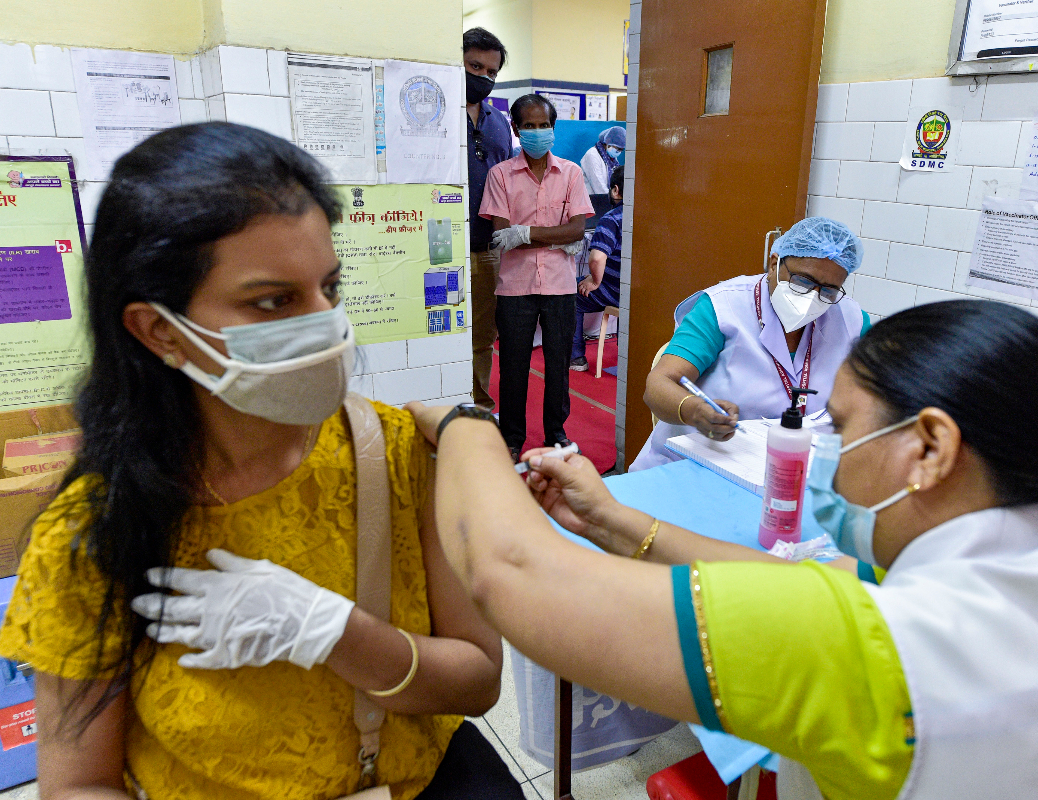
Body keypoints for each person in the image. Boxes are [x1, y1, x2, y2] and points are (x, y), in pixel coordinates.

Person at [408, 298, 1038, 800]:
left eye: (842, 429)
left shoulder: (881, 655)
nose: (824, 453)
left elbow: (515, 574)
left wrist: (467, 424)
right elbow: (816, 583)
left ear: (930, 448)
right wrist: (615, 521)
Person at [0, 123, 524, 800]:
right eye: (273, 301)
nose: (327, 325)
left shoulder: (396, 454)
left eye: (329, 287)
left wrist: (336, 632)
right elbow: (77, 785)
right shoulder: (91, 533)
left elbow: (477, 683)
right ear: (159, 330)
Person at [630, 216, 871, 471]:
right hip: (696, 463)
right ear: (774, 263)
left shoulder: (852, 321)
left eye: (829, 290)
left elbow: (876, 397)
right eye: (802, 281)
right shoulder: (723, 307)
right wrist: (695, 411)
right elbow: (659, 384)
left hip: (793, 469)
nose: (813, 297)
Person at [480, 94, 593, 458]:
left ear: (553, 128)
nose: (537, 131)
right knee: (513, 366)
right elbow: (502, 234)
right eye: (529, 125)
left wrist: (526, 233)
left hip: (560, 285)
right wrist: (556, 236)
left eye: (544, 125)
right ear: (516, 129)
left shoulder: (571, 173)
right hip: (515, 287)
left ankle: (556, 434)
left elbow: (577, 230)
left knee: (559, 364)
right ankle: (512, 438)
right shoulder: (500, 175)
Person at [464, 27, 512, 412]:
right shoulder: (434, 113)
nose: (483, 77)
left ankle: (480, 407)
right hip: (439, 248)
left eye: (491, 72)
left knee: (483, 336)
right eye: (474, 66)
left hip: (487, 248)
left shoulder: (499, 122)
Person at [571, 165, 624, 373]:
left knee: (570, 292)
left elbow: (596, 258)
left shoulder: (612, 219)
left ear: (616, 190)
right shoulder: (654, 215)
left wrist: (594, 280)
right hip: (644, 294)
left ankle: (576, 358)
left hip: (615, 291)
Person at [581, 126, 625, 197]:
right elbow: (598, 186)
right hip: (592, 198)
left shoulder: (611, 158)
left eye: (621, 150)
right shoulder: (592, 155)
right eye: (617, 148)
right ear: (608, 142)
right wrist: (613, 198)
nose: (618, 152)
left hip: (604, 197)